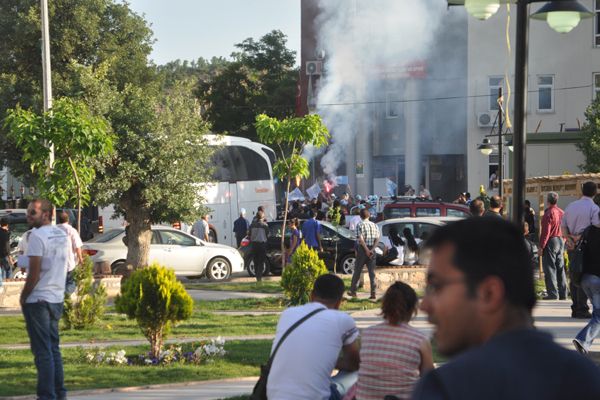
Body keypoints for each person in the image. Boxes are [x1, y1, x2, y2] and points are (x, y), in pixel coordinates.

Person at [413, 217, 600, 400]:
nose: (424, 305)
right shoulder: (586, 378)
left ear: (489, 293)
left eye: (436, 287)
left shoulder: (447, 387)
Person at [267, 274, 360, 400]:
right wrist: (330, 361)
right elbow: (355, 363)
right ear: (339, 302)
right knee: (358, 374)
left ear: (311, 295)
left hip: (274, 396)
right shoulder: (343, 320)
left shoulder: (287, 314)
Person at [21, 199, 71, 400]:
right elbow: (54, 263)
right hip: (56, 297)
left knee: (42, 352)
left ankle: (46, 395)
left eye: (32, 212)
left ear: (46, 214)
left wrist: (24, 296)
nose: (28, 216)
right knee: (53, 349)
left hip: (39, 299)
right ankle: (60, 393)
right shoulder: (61, 234)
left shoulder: (37, 236)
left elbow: (33, 273)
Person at [351, 282, 433, 400]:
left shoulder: (367, 335)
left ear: (385, 306)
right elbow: (430, 383)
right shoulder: (419, 340)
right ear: (412, 309)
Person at [562, 181, 600, 319]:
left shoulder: (571, 206)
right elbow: (597, 224)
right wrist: (580, 237)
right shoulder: (594, 208)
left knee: (574, 275)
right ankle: (582, 308)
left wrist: (570, 239)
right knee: (584, 275)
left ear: (582, 191)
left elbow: (563, 225)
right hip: (587, 247)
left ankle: (575, 307)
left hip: (572, 245)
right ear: (595, 192)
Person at [573, 205, 600, 354]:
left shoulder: (589, 231)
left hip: (585, 279)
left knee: (598, 313)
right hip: (597, 281)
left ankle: (585, 342)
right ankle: (583, 340)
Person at [538, 192, 566, 300]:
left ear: (547, 201)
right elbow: (565, 227)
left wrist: (541, 246)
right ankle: (563, 293)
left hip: (551, 240)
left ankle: (553, 294)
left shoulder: (548, 213)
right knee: (560, 268)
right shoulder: (561, 212)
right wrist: (563, 239)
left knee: (550, 268)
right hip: (560, 240)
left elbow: (546, 231)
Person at [348, 209, 380, 299]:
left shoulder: (360, 225)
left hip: (363, 249)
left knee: (357, 270)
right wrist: (372, 249)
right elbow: (377, 239)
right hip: (372, 249)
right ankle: (373, 293)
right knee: (372, 272)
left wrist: (366, 250)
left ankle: (353, 291)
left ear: (360, 216)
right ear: (369, 215)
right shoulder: (375, 225)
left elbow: (361, 239)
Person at [56, 211, 83, 296]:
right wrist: (81, 259)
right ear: (68, 220)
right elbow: (77, 246)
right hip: (69, 263)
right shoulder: (71, 230)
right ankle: (65, 296)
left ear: (58, 220)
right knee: (71, 283)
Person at [249, 210, 269, 282]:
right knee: (261, 262)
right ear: (262, 217)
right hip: (262, 245)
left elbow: (249, 234)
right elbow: (267, 234)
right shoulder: (265, 225)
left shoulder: (252, 225)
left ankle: (257, 277)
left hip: (254, 245)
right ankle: (259, 277)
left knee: (255, 261)